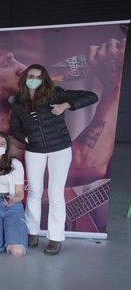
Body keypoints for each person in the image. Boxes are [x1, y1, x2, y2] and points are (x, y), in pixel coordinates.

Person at [10, 64, 98, 255]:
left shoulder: (55, 94)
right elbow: (14, 127)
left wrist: (66, 105)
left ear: (44, 80)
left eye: (38, 76)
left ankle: (55, 238)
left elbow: (92, 96)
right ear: (25, 78)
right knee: (34, 191)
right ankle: (31, 232)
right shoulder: (18, 101)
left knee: (56, 194)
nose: (33, 79)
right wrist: (25, 138)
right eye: (30, 76)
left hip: (60, 149)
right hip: (34, 150)